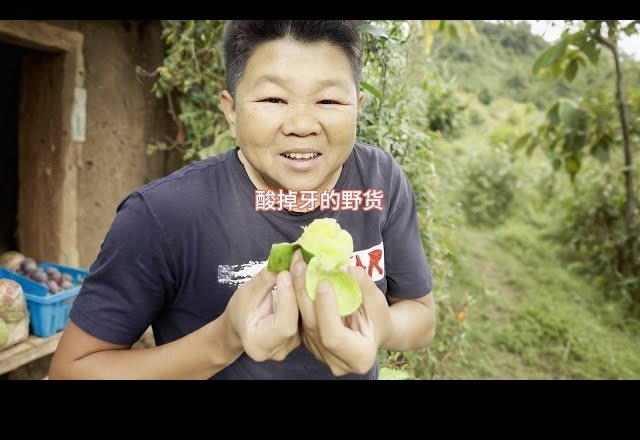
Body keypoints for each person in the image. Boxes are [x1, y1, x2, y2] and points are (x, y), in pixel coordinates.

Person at [49, 20, 436, 380]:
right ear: (231, 112)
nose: (301, 125)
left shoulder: (381, 183)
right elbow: (72, 369)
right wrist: (225, 339)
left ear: (358, 109)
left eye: (329, 102)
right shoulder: (163, 216)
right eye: (273, 99)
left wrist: (382, 326)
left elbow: (421, 315)